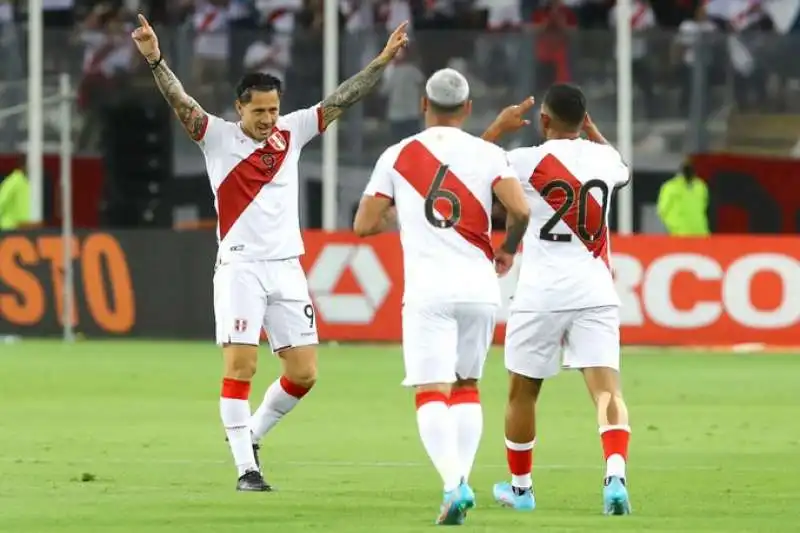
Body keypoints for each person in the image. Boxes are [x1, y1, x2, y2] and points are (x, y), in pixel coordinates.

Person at [130, 14, 409, 492]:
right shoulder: (216, 137)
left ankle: (252, 435)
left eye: (273, 110)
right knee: (242, 366)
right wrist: (156, 58)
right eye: (258, 111)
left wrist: (382, 61)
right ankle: (246, 470)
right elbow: (180, 101)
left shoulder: (293, 132)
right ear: (239, 108)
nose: (267, 119)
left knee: (304, 373)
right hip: (240, 268)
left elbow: (344, 96)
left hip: (287, 268)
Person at [352, 68, 531, 525]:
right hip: (478, 288)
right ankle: (461, 480)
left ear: (422, 105)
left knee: (431, 391)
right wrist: (507, 249)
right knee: (468, 387)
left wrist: (399, 212)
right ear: (468, 108)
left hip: (428, 291)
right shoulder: (488, 152)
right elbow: (521, 209)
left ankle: (453, 485)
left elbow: (363, 225)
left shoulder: (397, 155)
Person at [482, 83, 633, 515]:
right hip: (595, 291)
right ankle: (615, 477)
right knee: (607, 390)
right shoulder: (605, 159)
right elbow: (621, 167)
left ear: (543, 120)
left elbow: (467, 165)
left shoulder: (524, 161)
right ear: (584, 120)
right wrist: (592, 130)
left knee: (522, 393)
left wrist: (496, 127)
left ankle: (521, 489)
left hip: (540, 294)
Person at [657, 159, 710, 236]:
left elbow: (662, 210)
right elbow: (704, 206)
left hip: (681, 233)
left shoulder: (670, 187)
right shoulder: (701, 186)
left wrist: (674, 225)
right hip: (700, 232)